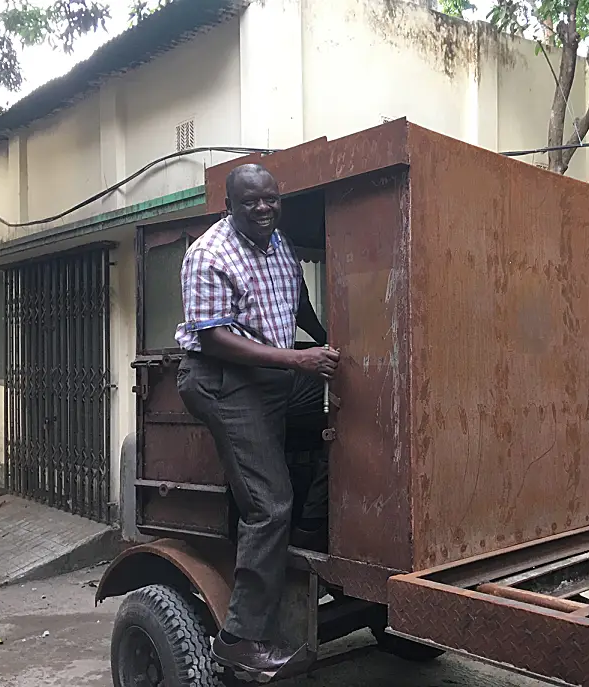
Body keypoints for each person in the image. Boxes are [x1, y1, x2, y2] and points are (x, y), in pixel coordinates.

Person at [175, 163, 339, 675]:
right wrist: (299, 361)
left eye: (271, 199)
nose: (264, 208)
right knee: (268, 506)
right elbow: (215, 339)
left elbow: (298, 304)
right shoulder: (208, 254)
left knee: (354, 404)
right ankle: (239, 640)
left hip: (272, 374)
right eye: (251, 202)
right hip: (223, 380)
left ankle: (311, 524)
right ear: (230, 207)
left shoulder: (279, 242)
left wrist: (337, 338)